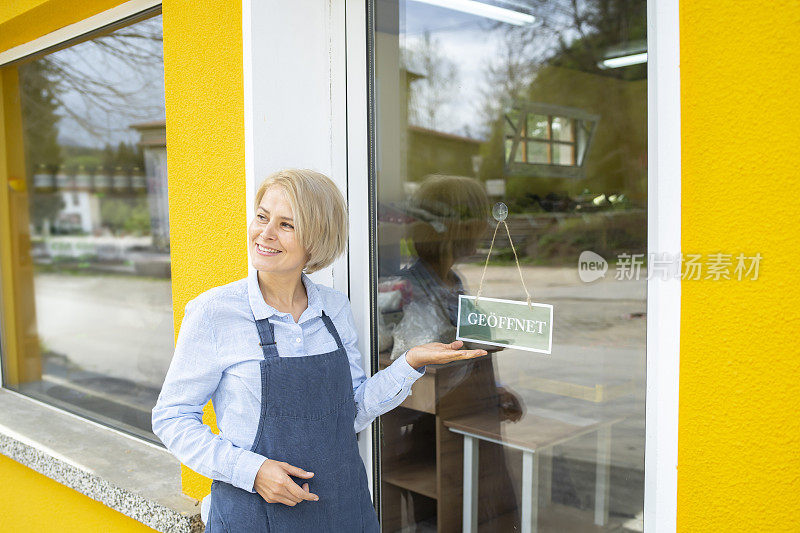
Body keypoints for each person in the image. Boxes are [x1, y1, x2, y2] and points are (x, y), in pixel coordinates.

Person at [151, 169, 487, 532]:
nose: (265, 234)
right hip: (255, 517)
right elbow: (172, 418)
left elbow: (352, 412)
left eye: (286, 225)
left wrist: (409, 362)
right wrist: (253, 471)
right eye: (262, 216)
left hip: (342, 510)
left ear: (317, 238)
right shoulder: (215, 312)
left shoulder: (333, 309)